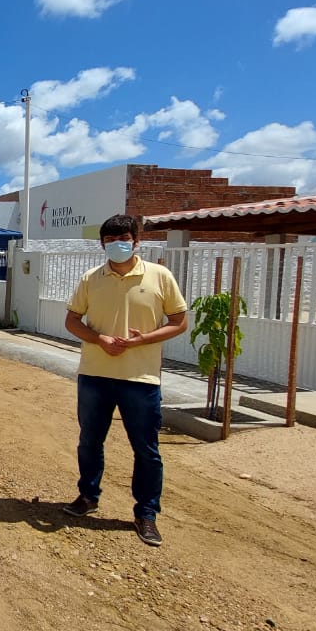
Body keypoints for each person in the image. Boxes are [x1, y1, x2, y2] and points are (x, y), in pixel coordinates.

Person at [62, 215, 188, 547]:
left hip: (141, 378)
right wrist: (99, 339)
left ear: (136, 240)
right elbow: (72, 321)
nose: (118, 243)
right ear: (102, 243)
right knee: (90, 442)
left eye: (124, 237)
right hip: (94, 375)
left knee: (146, 450)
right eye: (110, 239)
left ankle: (146, 514)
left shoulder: (160, 276)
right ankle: (87, 496)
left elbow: (179, 322)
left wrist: (140, 341)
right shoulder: (91, 278)